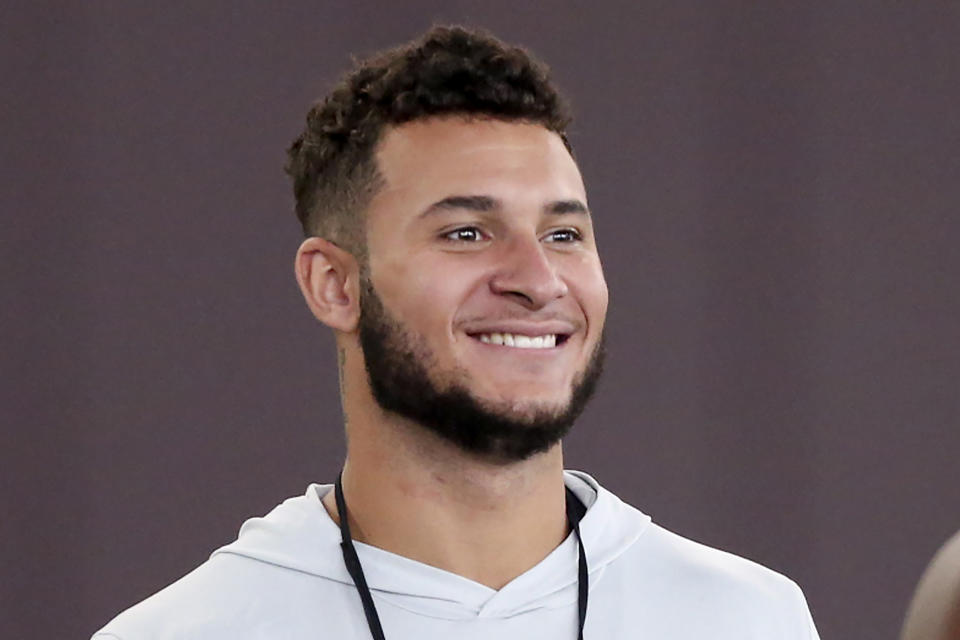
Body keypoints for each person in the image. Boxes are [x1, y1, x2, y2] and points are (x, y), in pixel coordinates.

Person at [93, 25, 820, 639]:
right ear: (335, 285)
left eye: (564, 233)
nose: (537, 280)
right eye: (468, 232)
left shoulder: (747, 619)